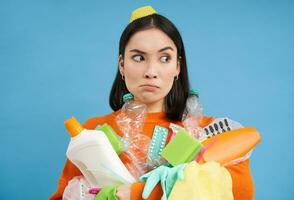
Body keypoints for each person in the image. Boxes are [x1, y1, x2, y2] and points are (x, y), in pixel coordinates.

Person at [49, 6, 254, 200]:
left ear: (177, 67)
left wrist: (140, 193)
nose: (151, 72)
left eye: (164, 58)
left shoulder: (209, 133)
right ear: (122, 65)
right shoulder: (93, 133)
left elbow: (239, 193)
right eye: (139, 57)